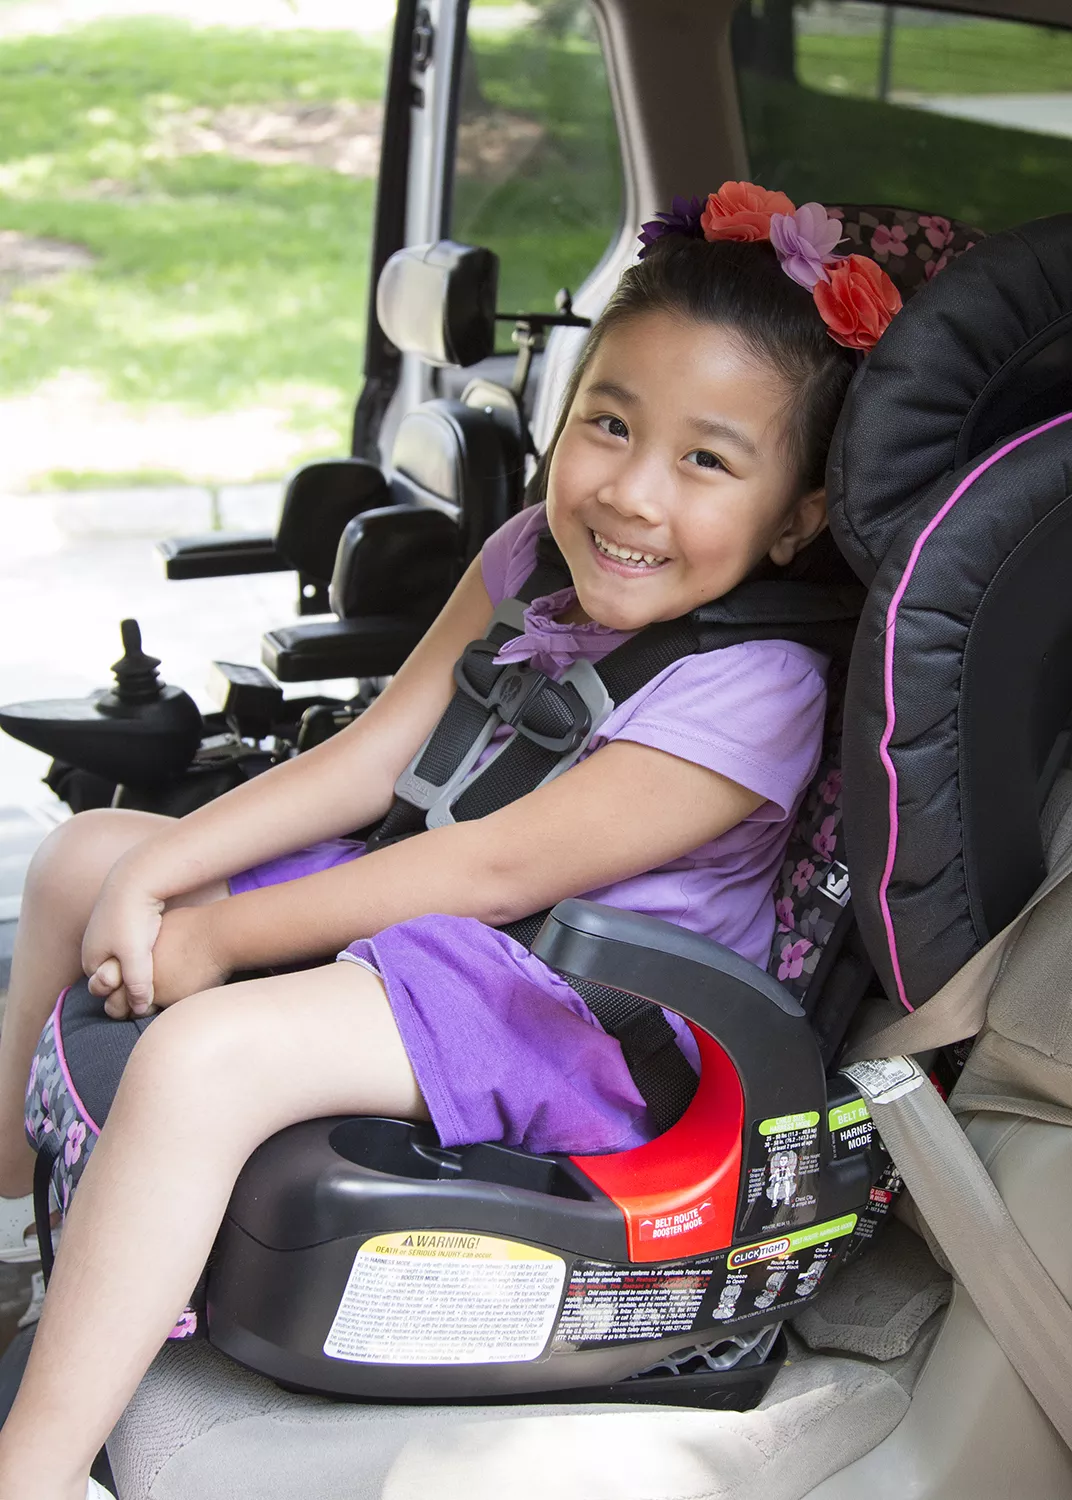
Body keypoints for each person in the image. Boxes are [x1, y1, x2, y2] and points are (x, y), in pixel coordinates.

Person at [0, 182, 900, 1500]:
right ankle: (19, 1224)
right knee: (79, 858)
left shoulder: (759, 685)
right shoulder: (531, 546)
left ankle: (34, 1463)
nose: (633, 495)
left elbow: (499, 868)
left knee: (206, 1052)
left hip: (579, 1010)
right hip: (450, 943)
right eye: (607, 424)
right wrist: (157, 866)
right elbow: (375, 758)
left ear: (799, 516)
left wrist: (218, 938)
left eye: (707, 460)